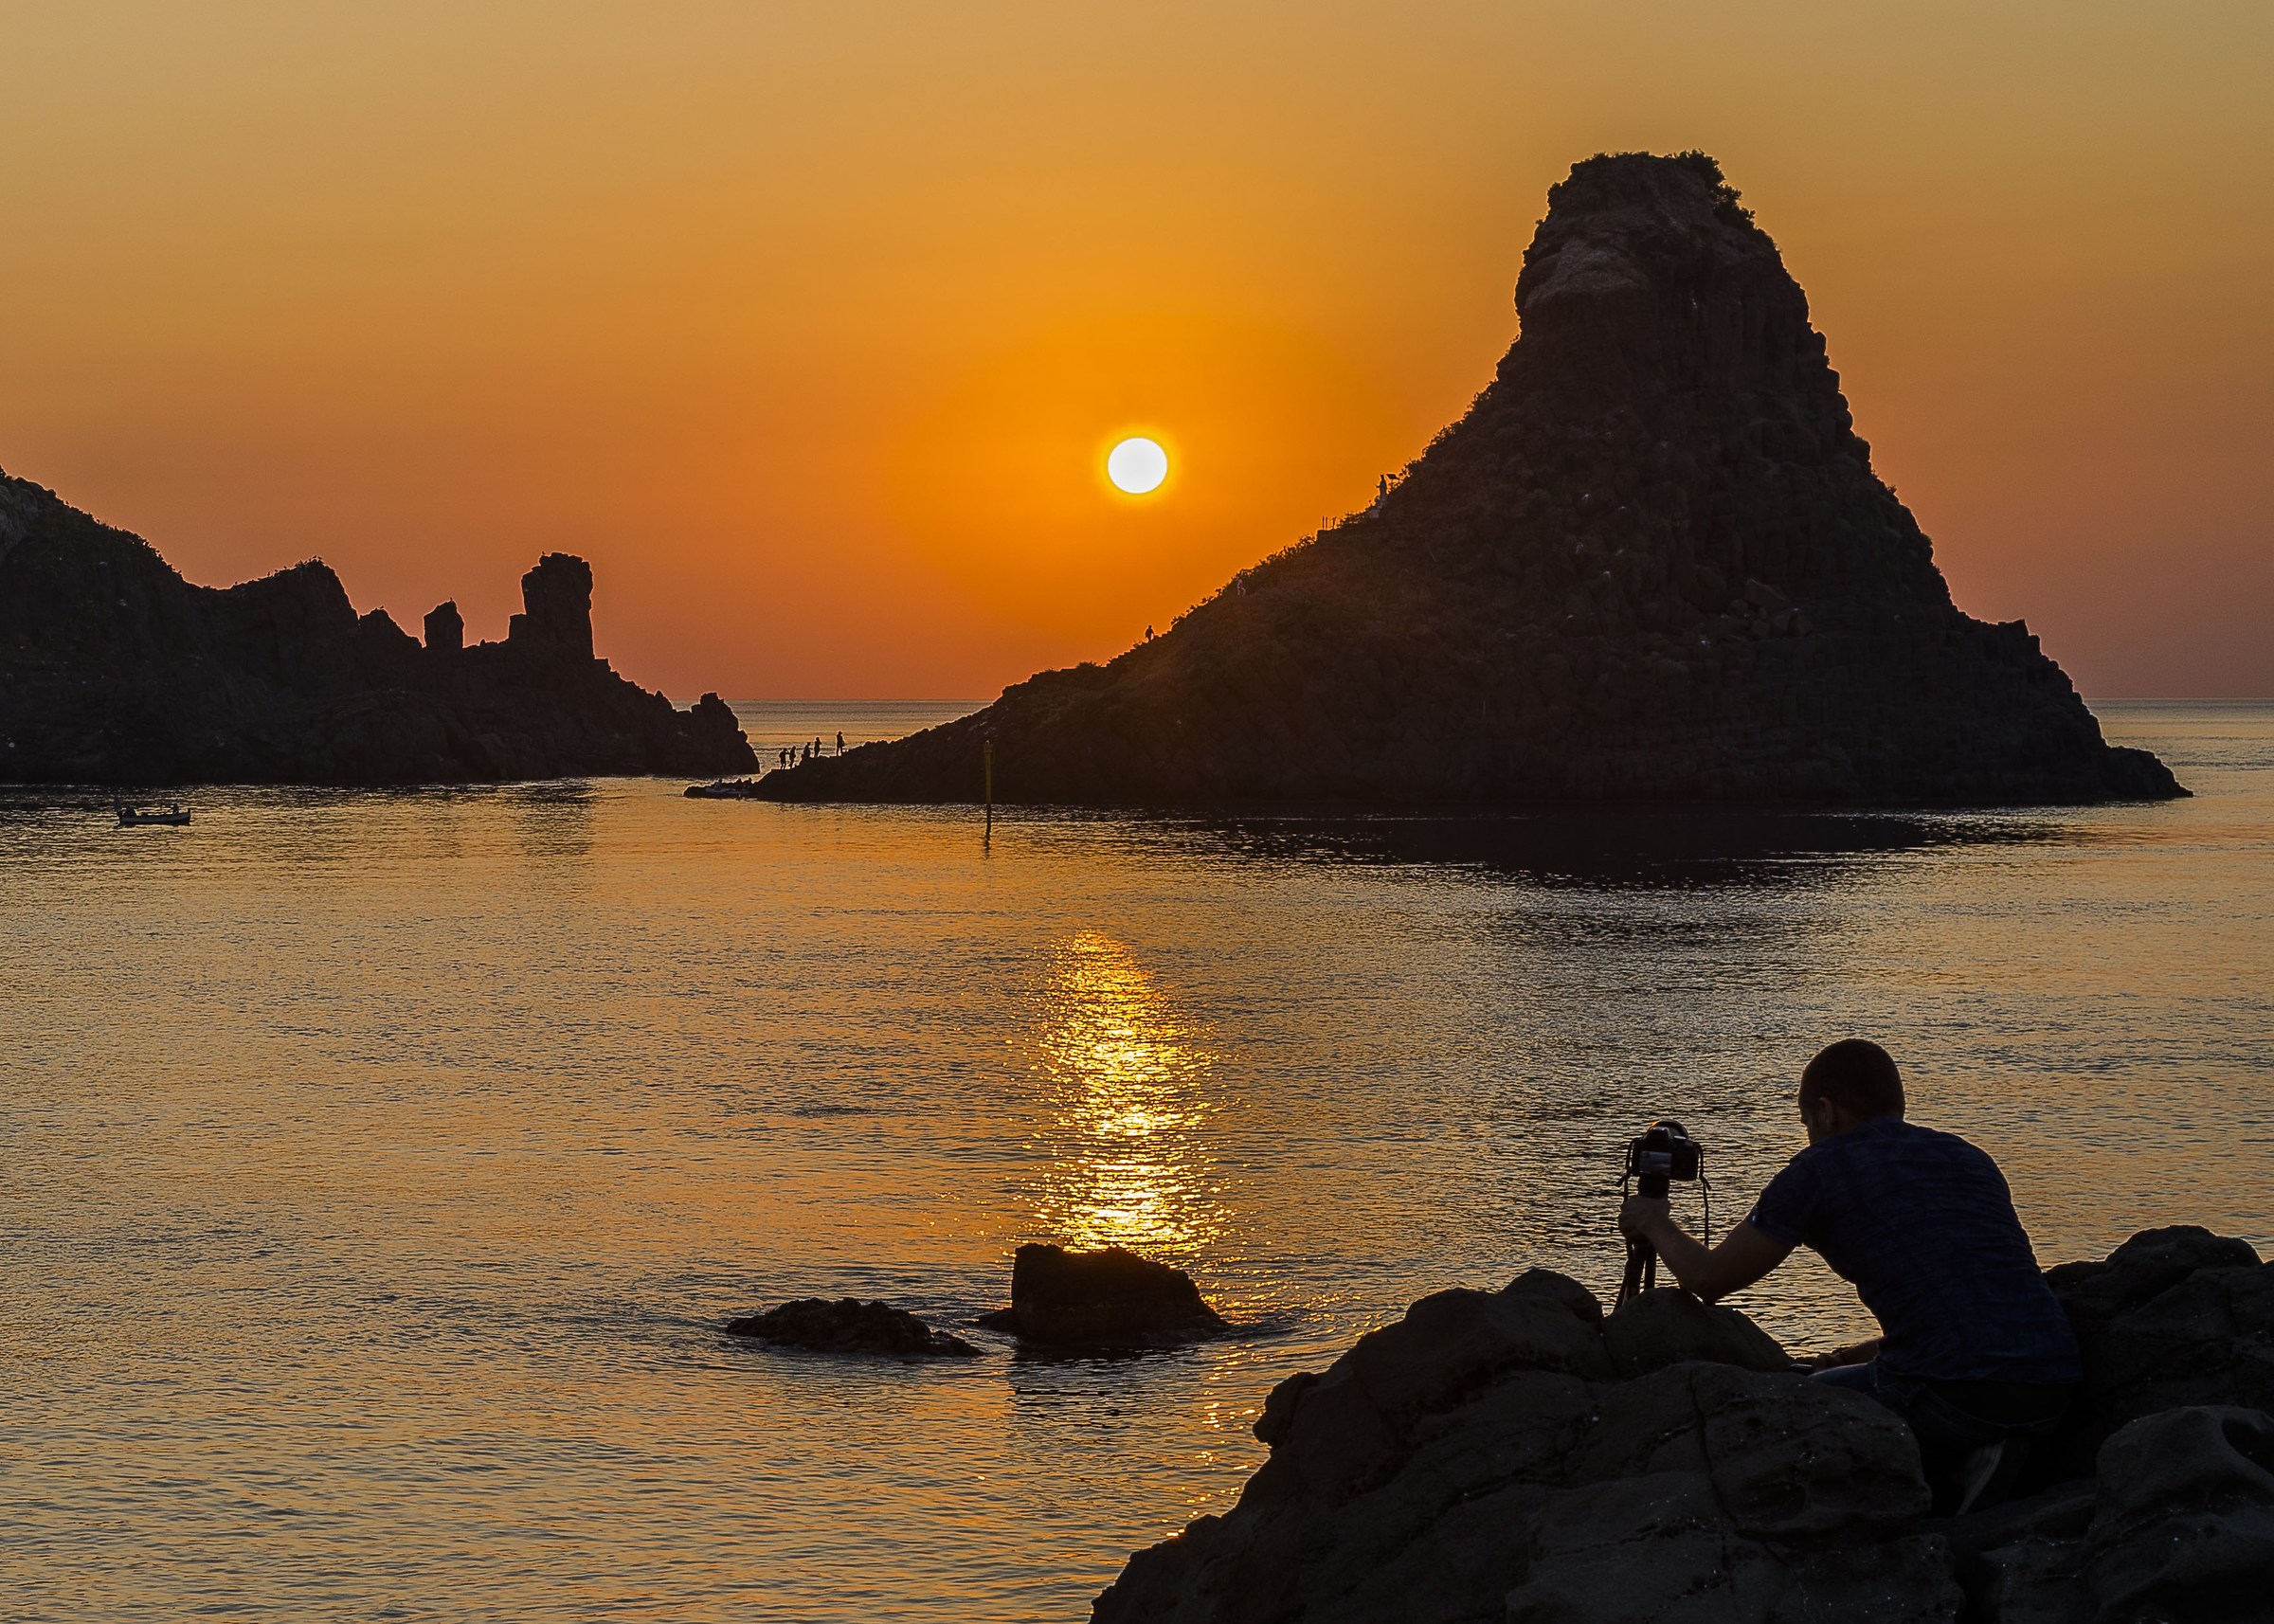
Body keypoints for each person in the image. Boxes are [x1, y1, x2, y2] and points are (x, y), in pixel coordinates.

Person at [1618, 1038, 2080, 1513]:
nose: (1808, 1136)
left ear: (1825, 1110)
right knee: (1843, 1373)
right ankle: (1982, 1443)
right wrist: (1845, 1356)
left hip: (1960, 1397)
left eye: (1805, 1124)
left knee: (1777, 1406)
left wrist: (1654, 1220)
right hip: (2055, 1383)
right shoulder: (1969, 1158)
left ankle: (1958, 1460)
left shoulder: (1820, 1169)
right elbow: (1969, 1302)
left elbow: (1709, 1279)